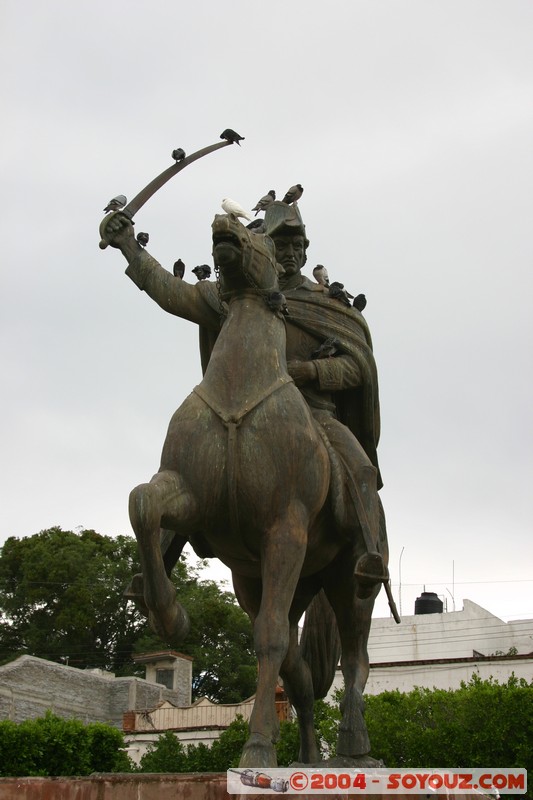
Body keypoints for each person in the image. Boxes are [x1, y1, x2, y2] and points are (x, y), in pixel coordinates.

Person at [100, 199, 388, 595]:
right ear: (265, 247)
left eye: (295, 246)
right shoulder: (231, 295)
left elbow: (358, 367)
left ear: (305, 251)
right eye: (279, 244)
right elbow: (172, 292)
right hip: (241, 411)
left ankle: (366, 553)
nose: (287, 253)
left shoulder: (327, 304)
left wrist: (312, 371)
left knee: (361, 470)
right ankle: (160, 564)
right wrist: (129, 246)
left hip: (314, 415)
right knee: (190, 460)